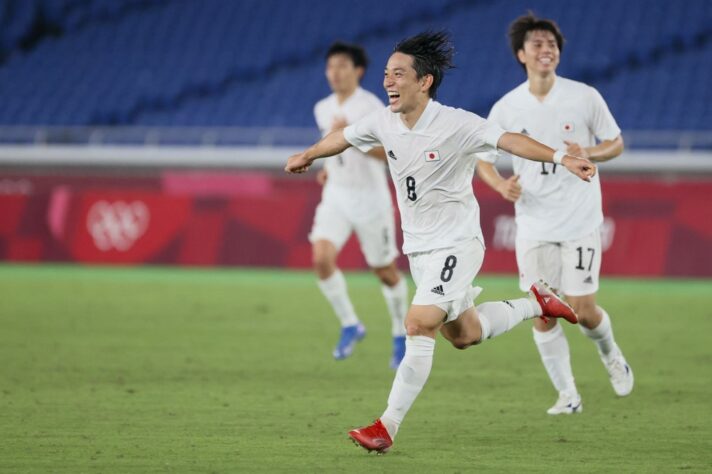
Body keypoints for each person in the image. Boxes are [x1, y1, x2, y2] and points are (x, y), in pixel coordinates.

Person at [286, 31, 596, 454]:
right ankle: (537, 303)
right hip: (419, 248)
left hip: (458, 243)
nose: (388, 82)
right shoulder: (383, 122)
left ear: (424, 81)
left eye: (398, 74)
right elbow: (343, 136)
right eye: (386, 74)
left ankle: (386, 426)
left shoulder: (457, 124)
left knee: (418, 323)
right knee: (463, 334)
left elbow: (510, 141)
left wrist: (562, 158)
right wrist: (309, 154)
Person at [476, 13, 633, 415]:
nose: (546, 50)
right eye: (538, 44)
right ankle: (568, 395)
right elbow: (483, 158)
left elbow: (615, 143)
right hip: (533, 222)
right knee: (543, 313)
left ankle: (611, 353)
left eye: (552, 44)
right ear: (521, 54)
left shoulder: (584, 96)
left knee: (582, 311)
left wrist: (590, 153)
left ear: (559, 53)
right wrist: (499, 185)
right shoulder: (507, 106)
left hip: (579, 219)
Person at [310, 42, 408, 368]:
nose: (334, 72)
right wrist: (327, 169)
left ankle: (399, 333)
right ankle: (351, 324)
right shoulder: (322, 107)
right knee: (321, 258)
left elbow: (389, 154)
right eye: (330, 66)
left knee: (384, 271)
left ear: (358, 71)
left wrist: (350, 137)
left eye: (342, 65)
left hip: (370, 199)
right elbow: (329, 146)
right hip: (337, 195)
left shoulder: (372, 107)